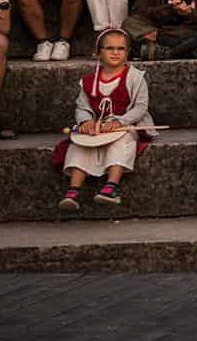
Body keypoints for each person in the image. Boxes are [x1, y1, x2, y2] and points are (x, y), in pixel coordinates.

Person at [56, 28, 152, 212]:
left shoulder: (135, 77)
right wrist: (85, 122)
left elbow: (140, 107)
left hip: (124, 125)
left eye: (120, 48)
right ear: (98, 52)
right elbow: (82, 107)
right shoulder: (88, 81)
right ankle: (73, 189)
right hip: (98, 128)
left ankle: (111, 187)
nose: (115, 53)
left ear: (127, 52)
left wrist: (121, 122)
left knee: (123, 140)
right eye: (109, 48)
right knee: (80, 143)